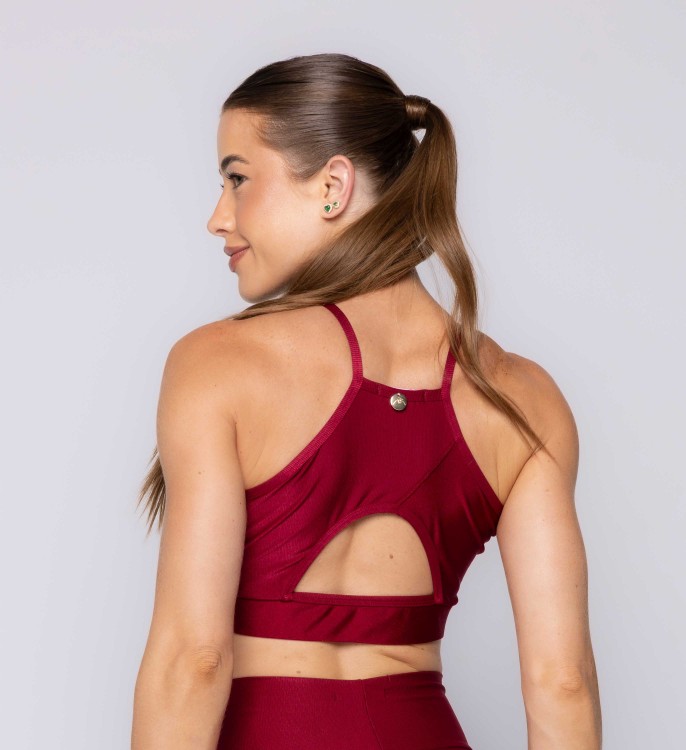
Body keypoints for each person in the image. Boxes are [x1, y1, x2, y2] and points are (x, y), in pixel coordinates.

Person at [131, 52, 602, 750]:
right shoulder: (521, 396)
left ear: (333, 185)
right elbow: (562, 681)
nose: (217, 217)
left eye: (237, 178)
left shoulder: (218, 363)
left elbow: (193, 661)